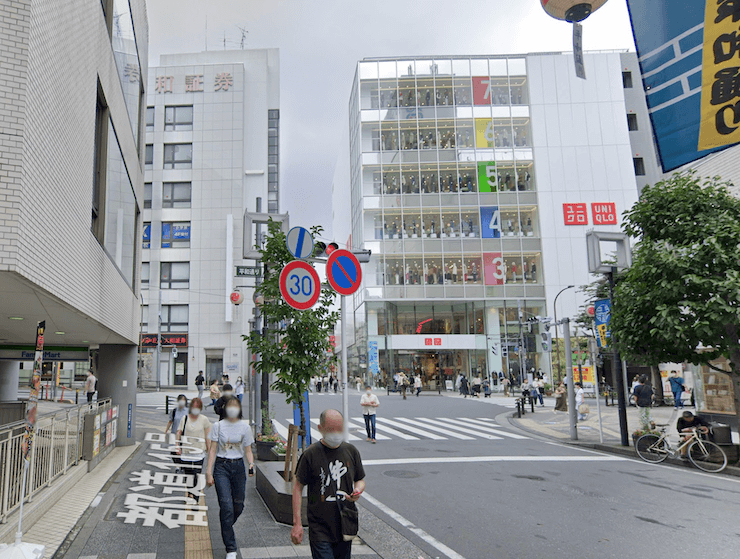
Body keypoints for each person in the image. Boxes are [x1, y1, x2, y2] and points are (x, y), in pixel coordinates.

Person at [291, 410, 366, 559]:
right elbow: (298, 487)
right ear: (320, 429)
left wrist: (358, 490)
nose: (336, 433)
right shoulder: (310, 454)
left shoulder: (351, 451)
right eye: (331, 429)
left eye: (340, 429)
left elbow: (360, 479)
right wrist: (297, 523)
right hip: (319, 527)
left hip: (345, 524)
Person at [206, 397, 255, 559]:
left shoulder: (245, 427)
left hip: (239, 467)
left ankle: (226, 525)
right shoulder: (218, 426)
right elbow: (212, 450)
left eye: (236, 406)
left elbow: (248, 450)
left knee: (238, 505)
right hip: (222, 467)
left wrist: (251, 463)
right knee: (226, 506)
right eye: (230, 406)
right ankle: (231, 548)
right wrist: (208, 471)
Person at [176, 397, 211, 500]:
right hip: (186, 452)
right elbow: (179, 432)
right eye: (194, 406)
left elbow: (207, 435)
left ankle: (195, 498)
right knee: (188, 476)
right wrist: (177, 446)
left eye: (197, 407)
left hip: (199, 452)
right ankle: (191, 492)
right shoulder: (185, 418)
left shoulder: (204, 419)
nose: (195, 408)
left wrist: (209, 449)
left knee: (196, 475)